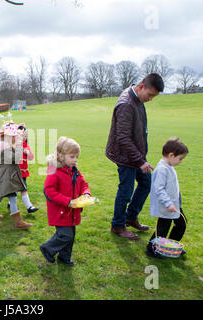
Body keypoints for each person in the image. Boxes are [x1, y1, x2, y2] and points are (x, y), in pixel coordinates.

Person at [105, 73, 164, 240]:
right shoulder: (126, 104)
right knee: (126, 191)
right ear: (141, 86)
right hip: (124, 156)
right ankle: (117, 226)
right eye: (150, 95)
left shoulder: (138, 99)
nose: (151, 99)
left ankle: (131, 217)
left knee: (146, 183)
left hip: (136, 155)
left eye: (154, 97)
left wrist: (141, 157)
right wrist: (140, 161)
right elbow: (122, 138)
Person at [39, 137, 91, 266]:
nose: (75, 160)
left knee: (70, 236)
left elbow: (83, 183)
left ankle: (64, 258)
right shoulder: (54, 171)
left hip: (72, 210)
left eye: (76, 157)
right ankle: (47, 248)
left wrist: (86, 193)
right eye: (72, 156)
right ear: (61, 156)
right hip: (61, 211)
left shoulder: (74, 170)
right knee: (65, 235)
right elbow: (49, 191)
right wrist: (68, 201)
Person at [146, 137, 189, 259]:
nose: (180, 161)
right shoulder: (162, 169)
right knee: (162, 230)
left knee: (181, 224)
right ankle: (152, 249)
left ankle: (169, 247)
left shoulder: (169, 166)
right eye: (180, 159)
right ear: (171, 155)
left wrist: (176, 201)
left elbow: (172, 187)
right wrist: (168, 203)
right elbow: (159, 189)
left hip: (174, 205)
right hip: (165, 207)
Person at [0, 122, 32, 230]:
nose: (16, 137)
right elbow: (16, 159)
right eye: (14, 136)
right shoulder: (5, 148)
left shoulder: (6, 146)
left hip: (7, 175)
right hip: (6, 176)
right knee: (12, 196)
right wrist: (19, 146)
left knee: (1, 194)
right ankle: (18, 222)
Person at [15, 123, 39, 213]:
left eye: (25, 136)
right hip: (16, 171)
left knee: (21, 188)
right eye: (21, 135)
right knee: (22, 188)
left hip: (23, 172)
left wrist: (28, 153)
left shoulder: (26, 145)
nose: (23, 137)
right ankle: (29, 207)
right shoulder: (15, 145)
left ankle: (11, 203)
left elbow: (31, 157)